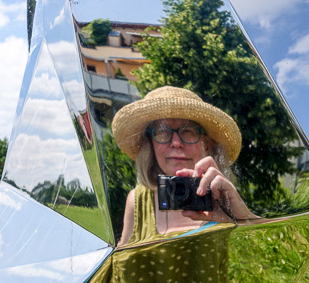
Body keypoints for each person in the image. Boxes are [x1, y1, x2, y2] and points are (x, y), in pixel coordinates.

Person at [111, 86, 259, 246]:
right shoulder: (137, 201)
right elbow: (120, 264)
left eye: (188, 131)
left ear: (207, 145)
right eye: (162, 132)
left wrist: (243, 219)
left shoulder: (222, 197)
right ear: (150, 144)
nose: (176, 143)